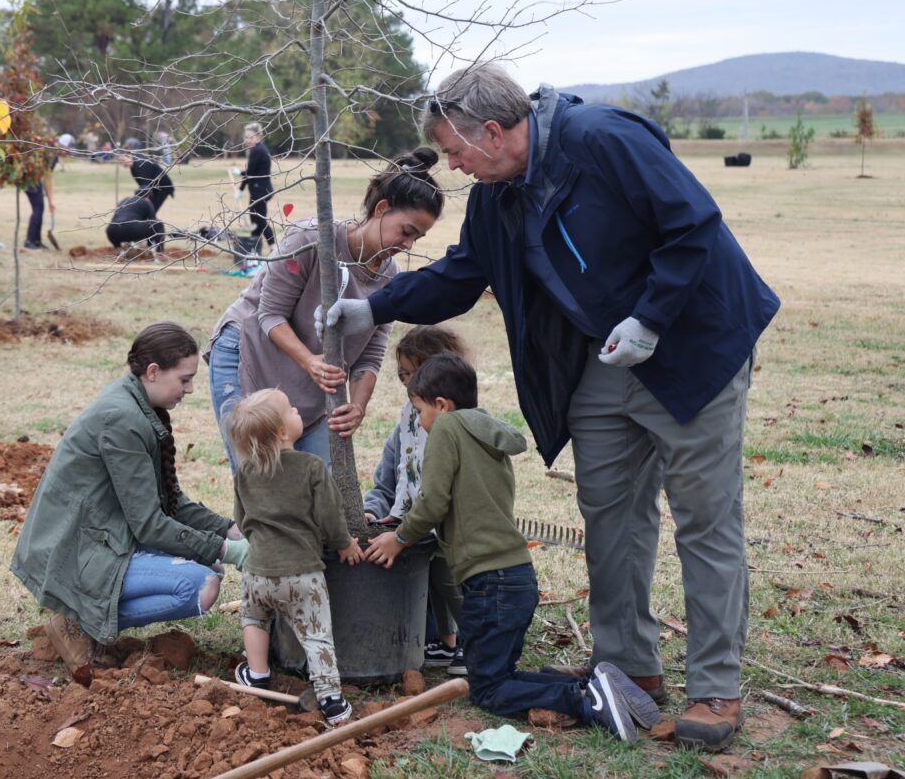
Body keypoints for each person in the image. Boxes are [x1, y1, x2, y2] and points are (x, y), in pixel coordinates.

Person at [321, 63, 781, 753]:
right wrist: (371, 305)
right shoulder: (495, 195)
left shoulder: (603, 140)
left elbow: (693, 227)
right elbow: (460, 274)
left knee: (704, 520)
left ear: (497, 131)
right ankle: (628, 666)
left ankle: (715, 686)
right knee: (610, 514)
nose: (451, 164)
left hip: (692, 348)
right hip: (603, 361)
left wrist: (652, 318)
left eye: (456, 150)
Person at [364, 354, 660, 741]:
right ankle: (599, 686)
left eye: (419, 410)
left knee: (486, 690)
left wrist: (400, 538)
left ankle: (584, 700)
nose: (418, 421)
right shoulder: (485, 432)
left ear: (441, 405)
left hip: (490, 584)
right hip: (516, 575)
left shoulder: (447, 430)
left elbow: (433, 501)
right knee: (497, 676)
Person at [11, 322, 248, 685]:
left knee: (208, 560)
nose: (190, 389)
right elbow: (150, 525)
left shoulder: (135, 401)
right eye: (184, 379)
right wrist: (229, 551)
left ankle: (87, 616)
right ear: (153, 372)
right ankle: (77, 621)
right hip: (73, 549)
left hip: (101, 534)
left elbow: (170, 503)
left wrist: (230, 530)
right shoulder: (124, 418)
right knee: (201, 585)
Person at [206, 147, 445, 473]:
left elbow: (371, 355)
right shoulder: (312, 239)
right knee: (260, 478)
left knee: (316, 480)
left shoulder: (392, 279)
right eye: (406, 232)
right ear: (382, 208)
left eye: (418, 237)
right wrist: (310, 362)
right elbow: (270, 314)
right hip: (249, 353)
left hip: (312, 382)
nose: (408, 245)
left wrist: (357, 406)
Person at [228, 388, 364, 726]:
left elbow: (242, 520)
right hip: (302, 576)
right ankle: (331, 699)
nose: (297, 409)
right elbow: (331, 516)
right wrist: (344, 543)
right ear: (282, 432)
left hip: (257, 573)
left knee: (254, 620)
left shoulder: (244, 473)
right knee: (316, 635)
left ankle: (257, 674)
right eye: (291, 408)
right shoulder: (311, 467)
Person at [363, 325, 469, 676]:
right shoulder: (407, 421)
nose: (408, 385)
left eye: (414, 375)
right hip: (414, 524)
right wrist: (374, 510)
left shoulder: (456, 426)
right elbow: (387, 483)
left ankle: (470, 641)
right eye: (403, 376)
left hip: (450, 529)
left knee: (449, 582)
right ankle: (442, 640)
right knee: (428, 578)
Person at [240, 122, 275, 254]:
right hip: (261, 190)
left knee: (259, 220)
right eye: (245, 137)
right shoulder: (259, 149)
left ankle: (273, 247)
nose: (247, 140)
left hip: (260, 191)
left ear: (258, 137)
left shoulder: (257, 151)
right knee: (255, 219)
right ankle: (254, 249)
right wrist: (241, 188)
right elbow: (251, 173)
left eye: (250, 137)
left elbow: (249, 174)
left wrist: (240, 179)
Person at [105, 192, 169, 261]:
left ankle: (118, 251)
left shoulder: (124, 200)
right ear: (148, 197)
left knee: (125, 228)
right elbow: (152, 223)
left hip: (111, 230)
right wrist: (149, 245)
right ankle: (160, 254)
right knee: (158, 224)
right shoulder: (146, 201)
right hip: (132, 229)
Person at [122, 137, 174, 211]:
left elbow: (145, 187)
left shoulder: (139, 165)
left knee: (149, 211)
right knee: (146, 211)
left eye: (123, 159)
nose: (122, 162)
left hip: (162, 187)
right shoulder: (134, 165)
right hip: (153, 187)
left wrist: (137, 200)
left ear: (130, 156)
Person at [23, 150, 59, 250]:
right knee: (38, 209)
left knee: (39, 208)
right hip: (30, 179)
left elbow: (47, 179)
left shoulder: (51, 153)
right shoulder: (52, 156)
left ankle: (36, 241)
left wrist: (50, 202)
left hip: (33, 178)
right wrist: (50, 201)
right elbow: (47, 179)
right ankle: (30, 241)